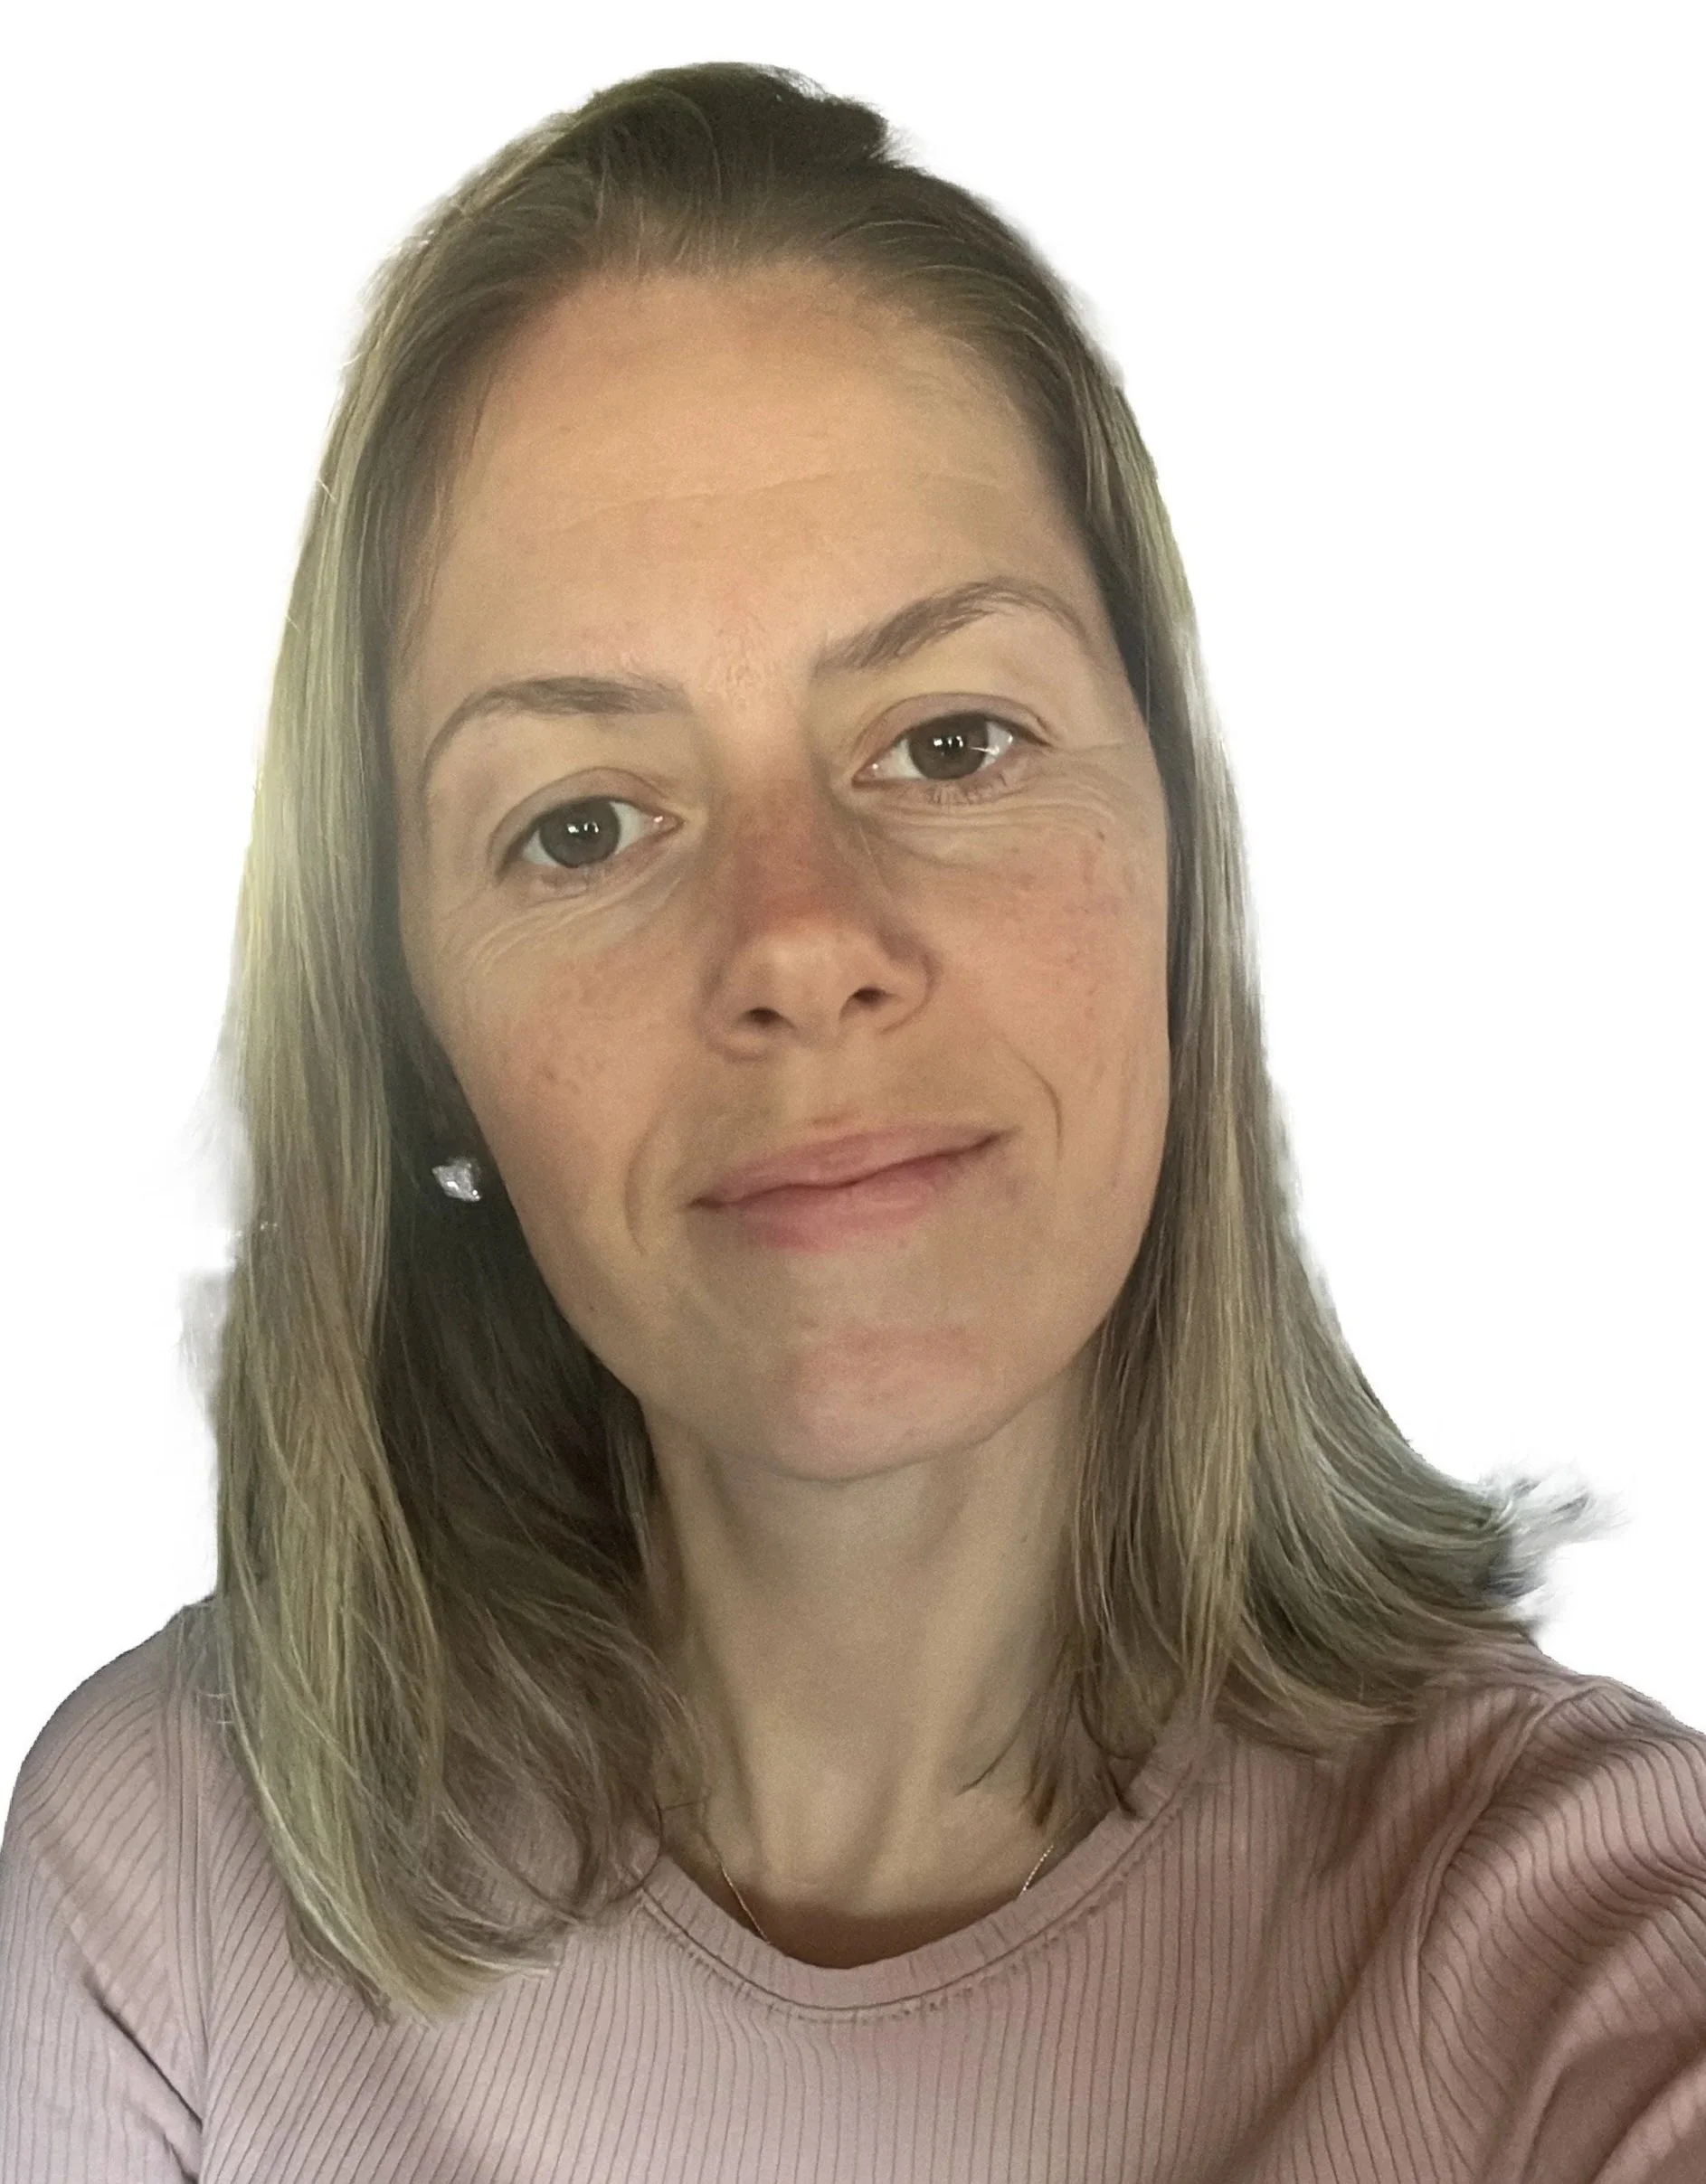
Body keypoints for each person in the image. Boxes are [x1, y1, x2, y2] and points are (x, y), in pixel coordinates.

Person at [2, 60, 1702, 2184]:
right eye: (585, 821)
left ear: (1176, 854)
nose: (800, 940)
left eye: (952, 739)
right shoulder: (163, 1897)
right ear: (411, 1028)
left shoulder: (1586, 1943)